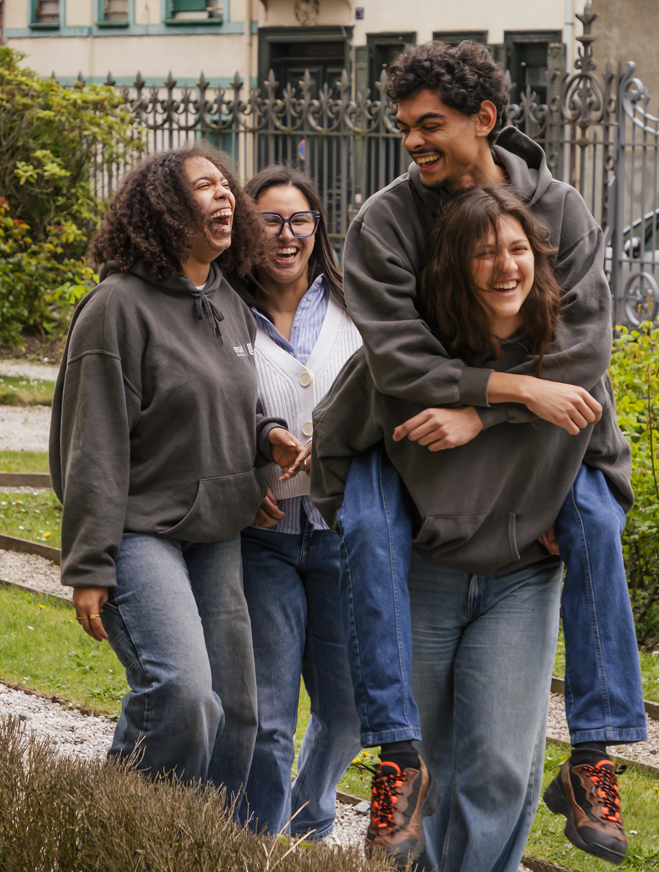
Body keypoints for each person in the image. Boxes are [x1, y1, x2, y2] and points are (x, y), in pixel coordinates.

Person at [312, 41, 644, 870]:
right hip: (421, 516)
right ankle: (395, 759)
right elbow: (399, 362)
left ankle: (595, 753)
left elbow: (583, 353)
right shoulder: (387, 222)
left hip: (527, 522)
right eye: (404, 126)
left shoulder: (561, 210)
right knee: (428, 757)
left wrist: (482, 414)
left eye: (430, 125)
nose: (412, 142)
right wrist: (513, 391)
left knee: (499, 764)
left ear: (484, 120)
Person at [50, 144, 309, 799]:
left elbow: (230, 402)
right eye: (204, 187)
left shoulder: (224, 299)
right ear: (165, 208)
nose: (225, 195)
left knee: (237, 715)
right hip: (140, 531)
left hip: (214, 534)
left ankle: (196, 842)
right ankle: (114, 829)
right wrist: (89, 565)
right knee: (182, 693)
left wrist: (267, 439)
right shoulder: (117, 306)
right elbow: (93, 445)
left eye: (226, 186)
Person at [227, 166, 364, 841]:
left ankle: (309, 820)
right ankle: (259, 841)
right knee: (269, 716)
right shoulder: (224, 311)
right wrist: (242, 477)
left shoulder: (355, 304)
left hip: (343, 535)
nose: (286, 236)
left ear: (317, 228)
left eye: (299, 220)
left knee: (350, 710)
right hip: (266, 539)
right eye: (269, 221)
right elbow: (206, 411)